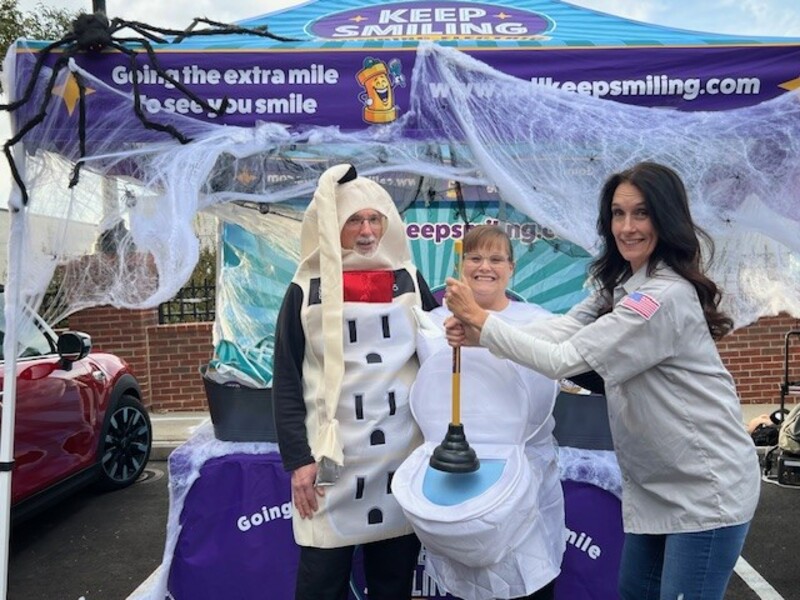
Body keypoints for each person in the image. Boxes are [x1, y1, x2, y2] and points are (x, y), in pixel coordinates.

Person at [443, 162, 761, 600]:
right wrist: (480, 337)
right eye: (618, 213)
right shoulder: (621, 286)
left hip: (704, 491)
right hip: (654, 487)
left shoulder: (660, 299)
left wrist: (479, 319)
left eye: (641, 213)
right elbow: (558, 332)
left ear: (666, 218)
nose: (626, 227)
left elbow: (561, 359)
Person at [272, 163, 439, 600]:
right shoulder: (305, 289)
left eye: (374, 219)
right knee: (320, 584)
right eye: (353, 221)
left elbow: (439, 356)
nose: (366, 232)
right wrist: (299, 461)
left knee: (393, 583)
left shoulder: (410, 281)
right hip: (329, 463)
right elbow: (286, 378)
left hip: (398, 460)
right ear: (333, 227)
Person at [410, 224, 564, 600]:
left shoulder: (539, 322)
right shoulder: (431, 324)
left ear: (511, 268)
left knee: (529, 578)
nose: (485, 267)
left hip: (526, 478)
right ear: (462, 266)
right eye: (475, 258)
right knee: (469, 583)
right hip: (458, 477)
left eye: (496, 259)